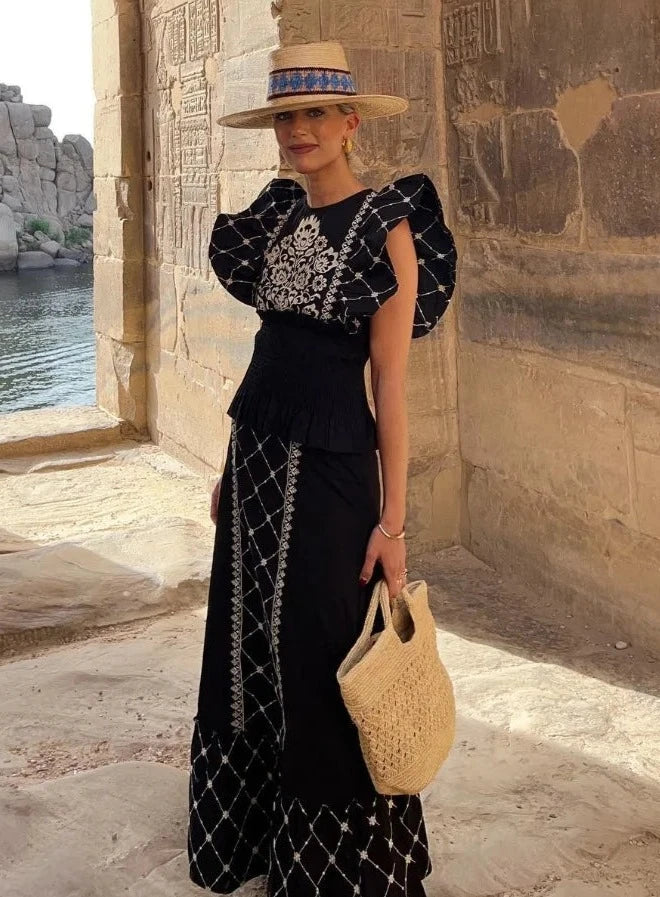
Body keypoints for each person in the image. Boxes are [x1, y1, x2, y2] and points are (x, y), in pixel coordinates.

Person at [187, 39, 457, 897]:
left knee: (321, 652)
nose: (297, 130)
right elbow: (270, 356)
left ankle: (335, 867)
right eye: (285, 117)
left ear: (349, 124)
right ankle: (251, 838)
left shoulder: (387, 225)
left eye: (314, 114)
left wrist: (394, 526)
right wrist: (231, 466)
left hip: (334, 474)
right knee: (245, 649)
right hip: (257, 458)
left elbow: (392, 386)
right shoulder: (274, 216)